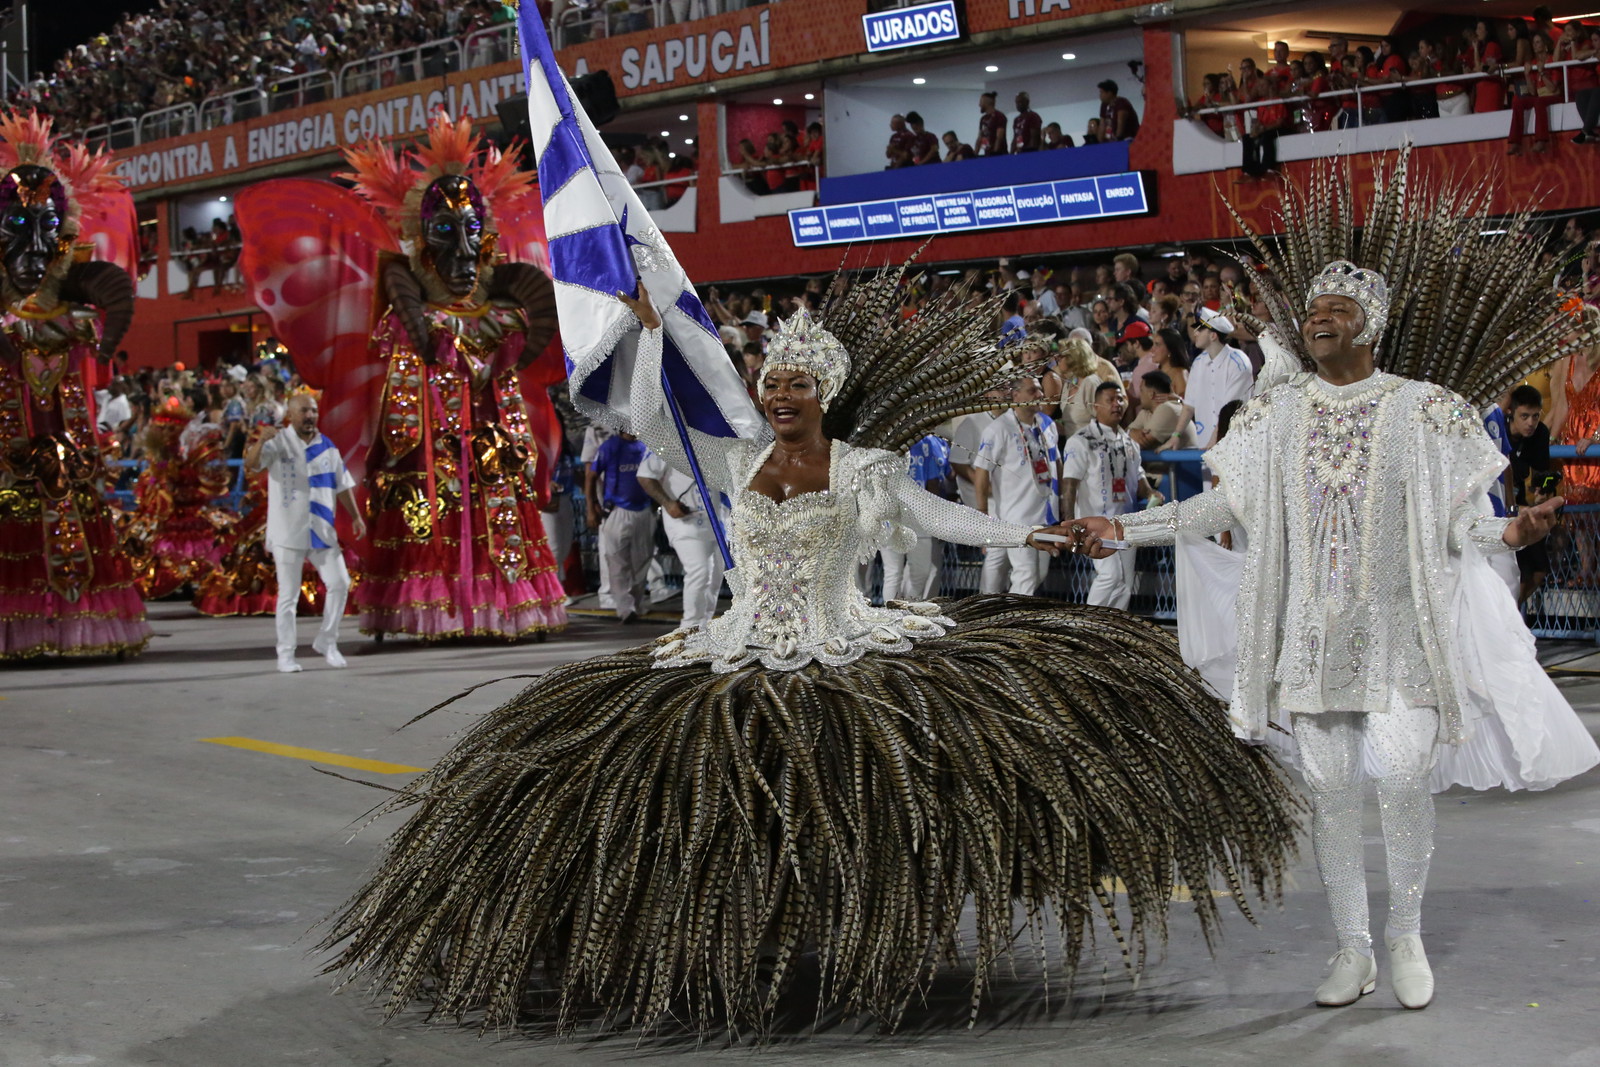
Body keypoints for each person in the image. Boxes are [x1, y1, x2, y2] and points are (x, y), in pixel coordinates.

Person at [323, 273, 1297, 1034]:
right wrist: (648, 329)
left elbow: (944, 517)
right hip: (735, 646)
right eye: (772, 383)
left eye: (797, 383)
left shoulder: (865, 466)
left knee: (855, 785)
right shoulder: (735, 459)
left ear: (823, 391)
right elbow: (653, 416)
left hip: (843, 643)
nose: (782, 394)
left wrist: (1035, 536)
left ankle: (865, 929)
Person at [1071, 153, 1600, 1012]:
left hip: (1399, 630)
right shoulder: (1278, 414)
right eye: (1313, 309)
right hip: (1315, 633)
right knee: (1329, 791)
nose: (1319, 319)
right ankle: (1353, 946)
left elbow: (1453, 521)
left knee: (1402, 773)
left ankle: (1406, 935)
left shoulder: (1423, 407)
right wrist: (1123, 527)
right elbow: (1222, 505)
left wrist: (1508, 529)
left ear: (1370, 325)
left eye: (1337, 310)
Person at [242, 113, 569, 643]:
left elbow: (507, 381)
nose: (462, 250)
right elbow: (402, 394)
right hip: (429, 453)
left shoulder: (507, 317)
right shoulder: (406, 320)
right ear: (421, 241)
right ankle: (439, 609)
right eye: (445, 232)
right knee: (431, 515)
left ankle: (498, 607)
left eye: (472, 231)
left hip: (490, 453)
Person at [0, 111, 149, 660]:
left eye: (48, 228)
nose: (34, 246)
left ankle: (73, 626)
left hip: (67, 457)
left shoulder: (73, 315)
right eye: (17, 225)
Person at [245, 390, 363, 673]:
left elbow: (342, 484)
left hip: (321, 529)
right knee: (288, 596)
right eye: (304, 411)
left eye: (313, 411)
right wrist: (260, 442)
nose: (310, 416)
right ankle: (285, 654)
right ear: (291, 414)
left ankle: (327, 641)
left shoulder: (327, 447)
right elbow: (252, 465)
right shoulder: (278, 442)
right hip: (288, 531)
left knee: (340, 583)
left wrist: (356, 516)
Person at [1062, 380, 1150, 610]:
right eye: (1110, 400)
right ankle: (1085, 624)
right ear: (1095, 407)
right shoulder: (1081, 440)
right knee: (1111, 576)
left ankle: (1114, 627)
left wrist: (1152, 493)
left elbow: (1139, 478)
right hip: (1095, 524)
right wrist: (1070, 524)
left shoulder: (1130, 443)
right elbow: (1069, 484)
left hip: (1125, 523)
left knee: (1126, 583)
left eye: (1120, 399)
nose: (1117, 404)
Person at [972, 374, 1059, 595]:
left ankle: (1003, 609)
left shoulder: (1047, 424)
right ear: (1016, 395)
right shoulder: (998, 429)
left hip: (1045, 514)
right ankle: (1012, 615)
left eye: (1040, 389)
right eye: (1033, 391)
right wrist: (982, 514)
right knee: (1026, 575)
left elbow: (1057, 463)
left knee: (1039, 575)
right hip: (1016, 518)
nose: (1040, 394)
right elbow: (982, 472)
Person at [637, 447, 726, 631]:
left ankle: (705, 627)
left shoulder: (715, 442)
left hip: (717, 522)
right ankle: (689, 629)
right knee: (700, 571)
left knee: (714, 579)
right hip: (686, 522)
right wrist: (668, 503)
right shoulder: (668, 441)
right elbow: (645, 475)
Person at [878, 433, 953, 602]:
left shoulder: (925, 441)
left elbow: (932, 481)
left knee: (921, 572)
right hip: (890, 514)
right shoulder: (885, 441)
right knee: (894, 572)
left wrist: (933, 517)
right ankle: (891, 614)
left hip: (917, 514)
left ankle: (908, 610)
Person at [588, 429, 653, 623]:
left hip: (644, 510)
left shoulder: (647, 446)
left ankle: (636, 603)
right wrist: (591, 508)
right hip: (617, 511)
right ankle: (625, 608)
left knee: (642, 561)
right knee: (617, 562)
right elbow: (591, 476)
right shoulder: (610, 447)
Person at [1185, 307, 1254, 448]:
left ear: (1213, 336)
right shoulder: (1198, 362)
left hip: (1233, 443)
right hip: (1205, 442)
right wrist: (1175, 435)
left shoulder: (1238, 362)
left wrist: (1213, 443)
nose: (1195, 333)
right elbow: (1188, 406)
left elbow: (1229, 410)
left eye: (1200, 329)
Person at [975, 90, 1007, 156]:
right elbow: (980, 138)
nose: (979, 105)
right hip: (988, 154)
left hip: (999, 155)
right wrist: (974, 154)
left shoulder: (999, 116)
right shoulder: (983, 119)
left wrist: (995, 152)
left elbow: (999, 137)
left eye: (981, 102)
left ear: (987, 103)